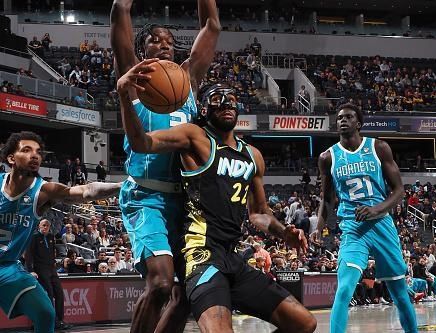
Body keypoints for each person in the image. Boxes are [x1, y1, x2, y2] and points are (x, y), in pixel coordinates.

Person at [117, 72, 317, 333]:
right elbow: (141, 142)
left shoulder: (253, 155)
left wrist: (283, 232)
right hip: (200, 254)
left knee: (303, 323)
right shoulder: (195, 136)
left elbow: (258, 213)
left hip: (231, 256)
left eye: (231, 99)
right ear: (204, 108)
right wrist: (124, 94)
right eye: (217, 99)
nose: (226, 103)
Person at [110, 0, 221, 332]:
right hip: (147, 196)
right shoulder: (135, 79)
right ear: (143, 49)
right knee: (160, 284)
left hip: (185, 202)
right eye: (156, 40)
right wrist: (122, 6)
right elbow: (119, 22)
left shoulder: (187, 81)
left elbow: (212, 26)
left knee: (186, 294)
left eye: (170, 42)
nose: (165, 45)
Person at [311, 103, 417, 333]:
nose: (343, 120)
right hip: (353, 227)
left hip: (381, 225)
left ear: (358, 123)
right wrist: (319, 225)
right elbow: (326, 197)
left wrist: (377, 209)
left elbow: (399, 190)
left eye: (348, 117)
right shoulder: (328, 157)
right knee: (344, 288)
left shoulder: (379, 147)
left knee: (398, 292)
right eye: (339, 118)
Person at [0, 131, 121, 333]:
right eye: (26, 150)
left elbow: (85, 191)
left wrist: (121, 186)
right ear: (11, 158)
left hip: (9, 267)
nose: (35, 155)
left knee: (46, 313)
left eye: (38, 152)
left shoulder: (44, 191)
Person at [26, 219, 71, 330]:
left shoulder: (51, 237)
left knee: (60, 293)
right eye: (43, 225)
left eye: (47, 226)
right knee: (49, 295)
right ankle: (52, 321)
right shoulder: (34, 238)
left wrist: (54, 263)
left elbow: (52, 252)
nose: (45, 227)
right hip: (40, 269)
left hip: (52, 268)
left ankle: (60, 320)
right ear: (39, 226)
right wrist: (30, 270)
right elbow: (29, 255)